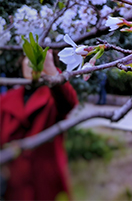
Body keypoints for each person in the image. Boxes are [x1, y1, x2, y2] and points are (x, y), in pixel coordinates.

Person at [0, 50, 78, 200]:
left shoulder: (53, 98)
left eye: (39, 60)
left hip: (46, 179)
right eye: (28, 58)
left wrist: (52, 73)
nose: (33, 64)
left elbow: (68, 103)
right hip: (16, 182)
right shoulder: (5, 101)